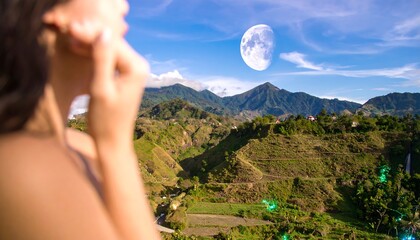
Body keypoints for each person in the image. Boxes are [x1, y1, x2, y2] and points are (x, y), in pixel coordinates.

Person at [0, 0, 161, 239]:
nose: (124, 7)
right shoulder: (21, 169)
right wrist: (115, 147)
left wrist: (113, 147)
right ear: (53, 10)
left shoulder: (83, 146)